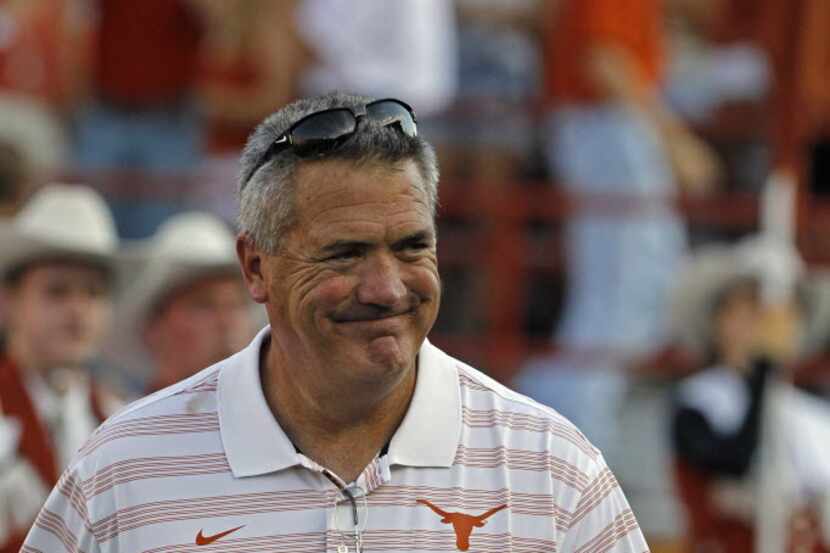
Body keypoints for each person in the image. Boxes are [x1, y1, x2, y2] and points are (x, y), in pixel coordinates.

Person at [23, 92, 648, 552]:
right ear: (256, 267)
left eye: (411, 247)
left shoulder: (551, 469)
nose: (385, 288)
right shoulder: (123, 470)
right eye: (343, 253)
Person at [670, 236, 830, 552]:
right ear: (722, 318)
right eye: (751, 306)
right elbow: (733, 461)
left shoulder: (813, 416)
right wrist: (763, 369)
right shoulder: (698, 403)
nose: (766, 322)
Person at [0, 183, 120, 552]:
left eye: (93, 293)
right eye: (57, 291)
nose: (77, 310)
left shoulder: (121, 414)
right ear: (8, 302)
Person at [116, 211, 256, 393]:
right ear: (154, 330)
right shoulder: (117, 417)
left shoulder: (268, 419)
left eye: (237, 305)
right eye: (204, 305)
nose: (226, 322)